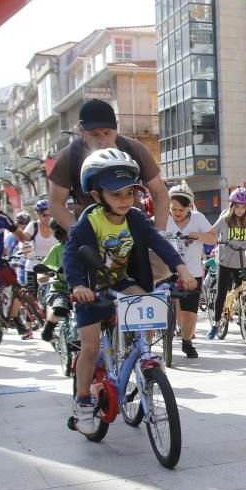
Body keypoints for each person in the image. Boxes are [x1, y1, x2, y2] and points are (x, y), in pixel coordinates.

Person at [64, 149, 196, 435]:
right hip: (92, 287)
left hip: (122, 280)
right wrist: (78, 286)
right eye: (116, 194)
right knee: (90, 347)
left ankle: (143, 355)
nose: (125, 200)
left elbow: (158, 243)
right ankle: (83, 402)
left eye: (130, 193)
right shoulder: (90, 222)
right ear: (97, 195)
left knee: (146, 303)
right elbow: (72, 255)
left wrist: (182, 270)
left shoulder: (136, 219)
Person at [47, 99, 169, 233]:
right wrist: (78, 232)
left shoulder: (136, 150)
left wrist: (160, 233)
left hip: (134, 230)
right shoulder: (69, 157)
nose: (103, 141)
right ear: (81, 130)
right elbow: (55, 204)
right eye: (94, 134)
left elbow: (160, 193)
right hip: (92, 231)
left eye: (107, 133)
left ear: (116, 127)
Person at [164, 182, 216, 358]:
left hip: (192, 273)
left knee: (190, 314)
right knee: (163, 308)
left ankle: (187, 342)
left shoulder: (198, 218)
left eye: (181, 210)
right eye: (174, 209)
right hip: (166, 272)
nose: (177, 213)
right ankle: (164, 339)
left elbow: (213, 239)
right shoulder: (163, 218)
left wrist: (197, 235)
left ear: (189, 208)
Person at [207, 187, 246, 339]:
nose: (240, 210)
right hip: (225, 261)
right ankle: (215, 325)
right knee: (221, 293)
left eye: (243, 207)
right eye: (237, 206)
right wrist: (216, 241)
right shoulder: (224, 218)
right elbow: (212, 232)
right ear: (232, 206)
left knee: (244, 294)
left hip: (242, 262)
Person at [0, 188, 33, 339]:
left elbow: (19, 234)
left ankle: (15, 321)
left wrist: (27, 245)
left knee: (17, 288)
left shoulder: (2, 218)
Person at [22, 199, 60, 302]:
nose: (48, 218)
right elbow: (24, 241)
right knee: (32, 298)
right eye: (45, 215)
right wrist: (28, 253)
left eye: (50, 215)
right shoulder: (33, 226)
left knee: (56, 295)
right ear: (38, 214)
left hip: (51, 266)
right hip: (33, 266)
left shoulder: (56, 225)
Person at [39, 218, 70, 343]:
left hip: (80, 288)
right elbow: (43, 269)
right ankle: (49, 328)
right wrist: (43, 276)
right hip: (59, 289)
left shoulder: (81, 247)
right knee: (60, 307)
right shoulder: (57, 249)